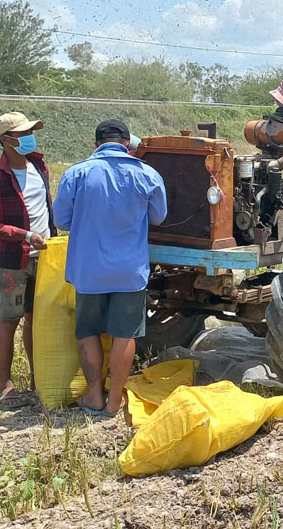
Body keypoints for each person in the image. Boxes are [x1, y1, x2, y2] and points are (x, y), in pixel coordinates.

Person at [53, 119, 167, 416]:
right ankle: (115, 400)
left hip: (88, 271)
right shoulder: (148, 174)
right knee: (124, 334)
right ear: (128, 144)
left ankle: (93, 396)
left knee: (88, 330)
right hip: (130, 270)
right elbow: (158, 217)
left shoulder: (76, 174)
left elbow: (62, 220)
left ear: (96, 144)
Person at [0, 112, 55, 407]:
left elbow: (46, 207)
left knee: (36, 320)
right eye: (22, 134)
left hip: (44, 257)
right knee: (9, 320)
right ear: (6, 140)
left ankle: (38, 378)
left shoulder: (39, 166)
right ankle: (5, 387)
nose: (29, 138)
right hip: (11, 260)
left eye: (30, 132)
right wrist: (23, 234)